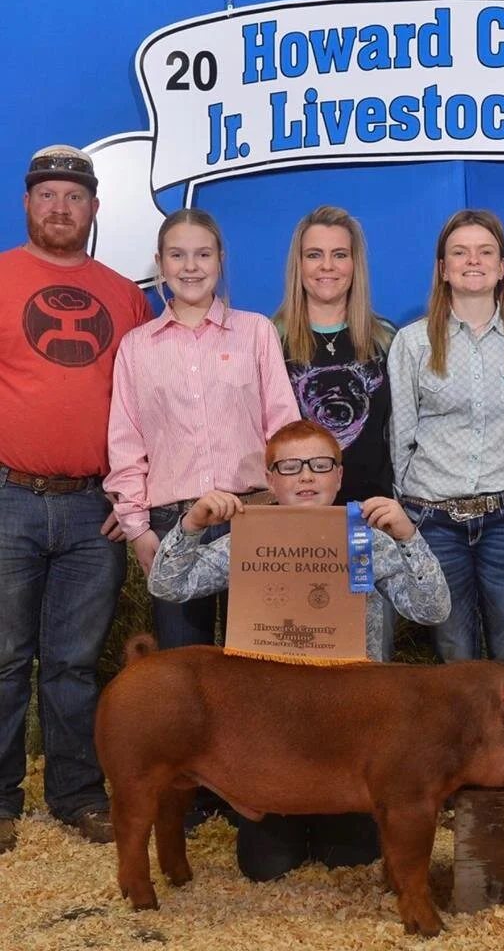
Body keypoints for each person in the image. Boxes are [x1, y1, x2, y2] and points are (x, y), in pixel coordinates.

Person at [148, 418, 450, 882]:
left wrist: (410, 537)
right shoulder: (246, 539)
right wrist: (190, 525)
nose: (306, 476)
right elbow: (168, 585)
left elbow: (431, 610)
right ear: (270, 481)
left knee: (349, 860)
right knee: (265, 867)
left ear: (339, 475)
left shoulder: (367, 540)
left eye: (319, 465)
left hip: (352, 728)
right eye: (290, 467)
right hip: (274, 731)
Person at [0, 144, 150, 853]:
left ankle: (78, 795)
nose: (60, 208)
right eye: (47, 195)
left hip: (96, 508)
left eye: (74, 196)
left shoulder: (125, 295)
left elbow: (145, 405)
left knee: (73, 663)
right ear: (26, 203)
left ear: (94, 209)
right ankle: (1, 801)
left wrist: (133, 495)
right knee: (4, 659)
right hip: (10, 498)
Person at [105, 206, 299, 651]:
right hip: (174, 527)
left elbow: (284, 429)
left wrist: (291, 512)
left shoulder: (256, 332)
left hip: (253, 518)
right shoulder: (136, 348)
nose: (190, 267)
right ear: (160, 263)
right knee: (183, 666)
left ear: (220, 260)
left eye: (203, 254)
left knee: (256, 663)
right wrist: (138, 530)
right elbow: (126, 443)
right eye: (177, 255)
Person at [388, 209, 504, 669]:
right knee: (455, 662)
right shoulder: (413, 343)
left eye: (485, 251)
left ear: (502, 267)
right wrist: (410, 513)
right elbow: (400, 437)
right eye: (460, 252)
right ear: (442, 269)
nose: (473, 260)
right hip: (434, 521)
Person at [274, 205, 396, 506]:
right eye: (314, 255)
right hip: (294, 516)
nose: (327, 266)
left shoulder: (385, 339)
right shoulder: (270, 339)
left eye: (339, 255)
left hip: (372, 514)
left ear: (355, 264)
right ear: (299, 264)